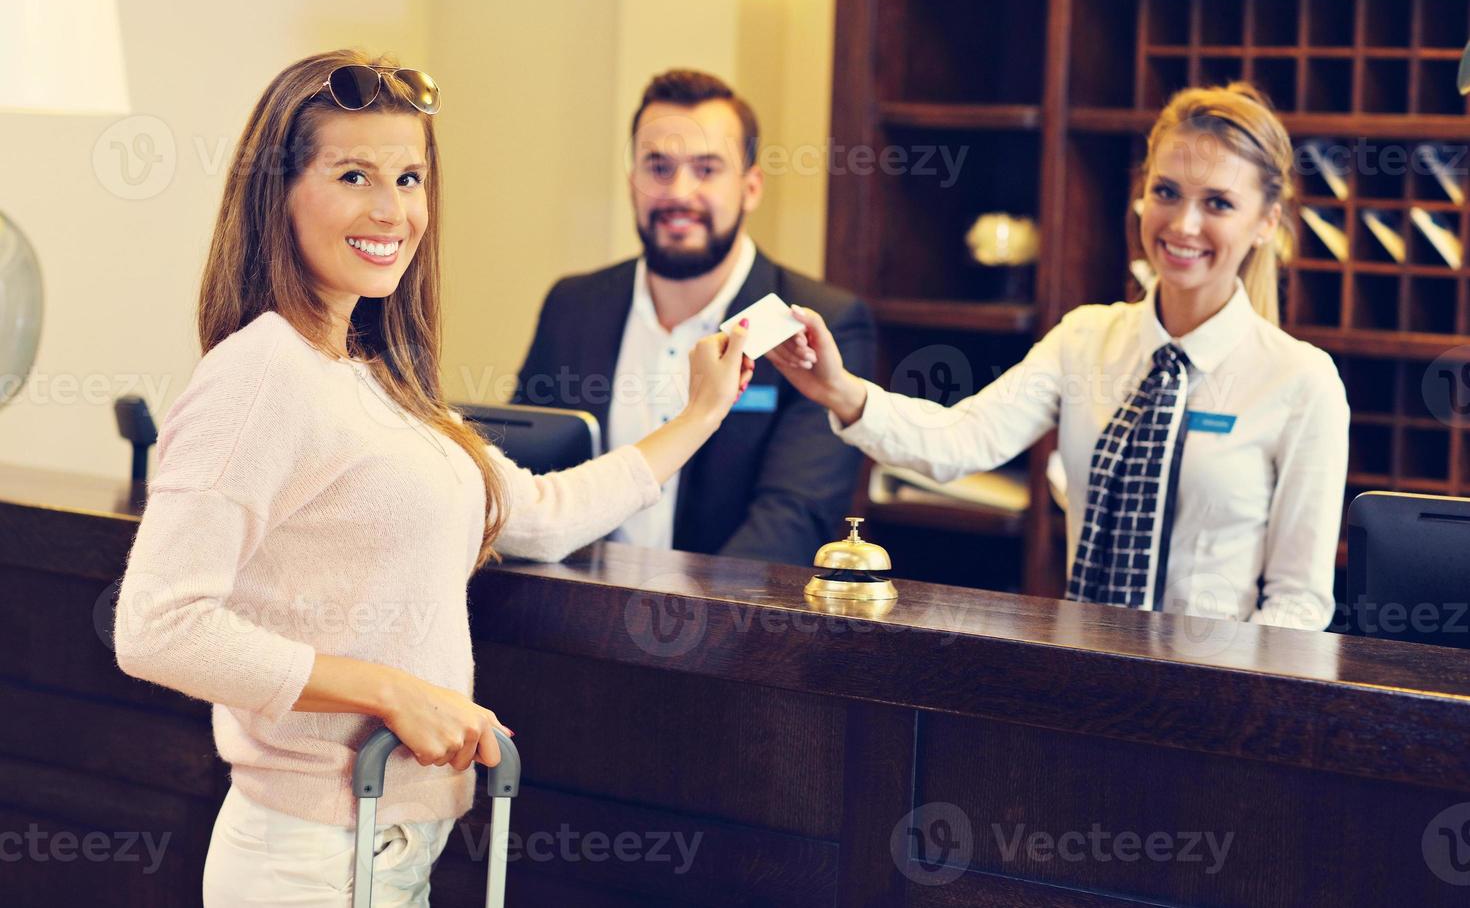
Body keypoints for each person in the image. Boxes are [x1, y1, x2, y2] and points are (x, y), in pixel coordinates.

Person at [112, 50, 752, 907]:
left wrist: (699, 416)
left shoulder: (374, 378)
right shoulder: (260, 373)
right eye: (354, 175)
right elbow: (157, 625)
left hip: (391, 850)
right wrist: (392, 691)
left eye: (410, 177)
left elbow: (544, 512)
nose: (392, 210)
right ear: (279, 192)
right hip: (308, 861)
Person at [769, 82, 1349, 631]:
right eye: (1166, 192)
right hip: (1084, 679)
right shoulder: (1085, 339)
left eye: (1218, 203)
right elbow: (961, 440)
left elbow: (1298, 604)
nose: (1183, 224)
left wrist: (1227, 707)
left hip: (1215, 704)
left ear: (1266, 222)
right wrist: (839, 390)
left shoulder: (1301, 381)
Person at [514, 69, 875, 566]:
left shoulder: (817, 321)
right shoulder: (572, 305)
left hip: (725, 630)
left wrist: (681, 629)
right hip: (568, 613)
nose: (679, 193)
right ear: (632, 181)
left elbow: (794, 517)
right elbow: (528, 473)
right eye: (658, 167)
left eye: (706, 170)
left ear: (750, 187)